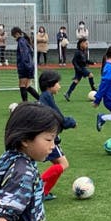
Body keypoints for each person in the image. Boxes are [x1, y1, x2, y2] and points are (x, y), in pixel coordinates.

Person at [36, 69, 76, 199]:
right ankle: (36, 187)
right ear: (50, 84)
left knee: (59, 164)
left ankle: (43, 192)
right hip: (48, 138)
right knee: (63, 164)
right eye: (57, 83)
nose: (59, 86)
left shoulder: (45, 97)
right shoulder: (46, 98)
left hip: (45, 137)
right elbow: (60, 119)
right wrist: (72, 122)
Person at [12, 26, 38, 103]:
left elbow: (25, 55)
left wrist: (27, 66)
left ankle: (25, 103)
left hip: (25, 66)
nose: (14, 38)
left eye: (14, 36)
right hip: (28, 66)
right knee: (26, 86)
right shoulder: (25, 40)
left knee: (23, 85)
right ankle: (41, 100)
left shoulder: (21, 42)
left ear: (17, 34)